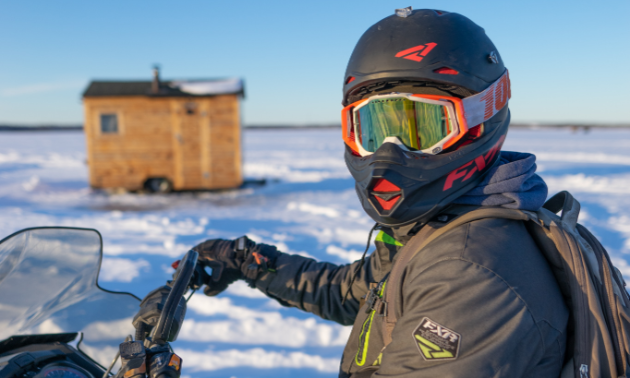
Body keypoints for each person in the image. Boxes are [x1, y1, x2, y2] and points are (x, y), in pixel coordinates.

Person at [136, 8, 569, 378]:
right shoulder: (438, 228)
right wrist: (252, 262)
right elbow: (358, 291)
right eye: (375, 128)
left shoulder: (470, 273)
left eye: (423, 126)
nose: (389, 153)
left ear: (479, 120)